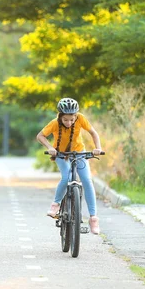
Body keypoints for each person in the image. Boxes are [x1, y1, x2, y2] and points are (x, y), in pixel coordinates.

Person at [36, 97, 103, 235]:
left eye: (72, 119)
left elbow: (93, 133)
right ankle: (56, 204)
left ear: (76, 116)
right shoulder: (54, 123)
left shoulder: (80, 119)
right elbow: (40, 136)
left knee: (87, 181)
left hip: (79, 153)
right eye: (65, 119)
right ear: (60, 116)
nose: (69, 122)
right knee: (66, 177)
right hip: (61, 154)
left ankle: (93, 218)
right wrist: (50, 147)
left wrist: (98, 147)